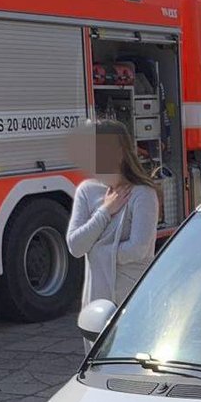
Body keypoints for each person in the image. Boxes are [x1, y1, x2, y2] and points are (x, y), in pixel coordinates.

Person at [66, 120, 159, 320]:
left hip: (133, 303)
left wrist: (97, 249)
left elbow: (138, 249)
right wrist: (106, 211)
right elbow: (75, 246)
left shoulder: (143, 194)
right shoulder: (87, 191)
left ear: (118, 153)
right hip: (96, 304)